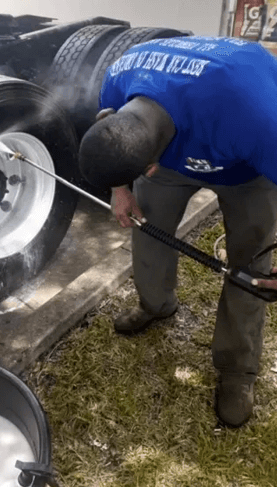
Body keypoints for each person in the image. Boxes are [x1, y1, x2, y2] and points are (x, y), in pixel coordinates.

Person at [78, 36, 277, 428]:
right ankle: (157, 304)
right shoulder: (117, 79)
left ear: (150, 162)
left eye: (137, 173)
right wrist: (121, 189)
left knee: (251, 263)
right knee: (148, 228)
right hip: (170, 145)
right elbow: (109, 134)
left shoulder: (256, 115)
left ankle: (237, 367)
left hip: (247, 170)